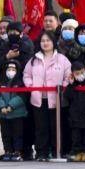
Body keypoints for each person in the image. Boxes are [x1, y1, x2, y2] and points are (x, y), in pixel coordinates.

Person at [23, 31, 71, 161]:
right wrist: (31, 86)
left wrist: (63, 87)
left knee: (56, 126)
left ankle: (57, 151)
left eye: (48, 40)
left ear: (53, 42)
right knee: (41, 127)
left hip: (56, 99)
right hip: (39, 99)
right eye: (43, 41)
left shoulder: (62, 59)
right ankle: (41, 152)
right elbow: (26, 75)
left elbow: (69, 75)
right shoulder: (34, 59)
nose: (45, 43)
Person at [0, 60, 27, 161]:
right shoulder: (0, 84)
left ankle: (17, 151)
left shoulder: (20, 83)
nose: (11, 71)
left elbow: (22, 97)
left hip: (17, 114)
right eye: (9, 69)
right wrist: (2, 107)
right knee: (5, 134)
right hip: (4, 115)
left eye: (13, 69)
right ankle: (7, 151)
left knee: (18, 134)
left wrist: (10, 106)